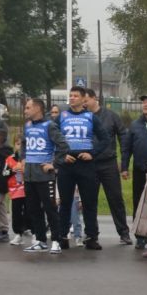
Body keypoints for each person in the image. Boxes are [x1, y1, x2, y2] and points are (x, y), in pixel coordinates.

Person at [55, 83, 106, 250]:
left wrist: (93, 153)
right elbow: (51, 137)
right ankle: (62, 236)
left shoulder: (91, 117)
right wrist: (62, 155)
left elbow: (105, 139)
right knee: (65, 202)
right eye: (70, 95)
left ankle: (91, 237)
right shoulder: (61, 116)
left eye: (76, 96)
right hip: (67, 164)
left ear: (84, 99)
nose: (72, 98)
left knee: (89, 202)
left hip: (86, 163)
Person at [84, 85, 134, 247]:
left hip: (108, 162)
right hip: (88, 163)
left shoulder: (111, 116)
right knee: (89, 200)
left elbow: (123, 137)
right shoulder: (82, 117)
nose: (83, 104)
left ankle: (123, 232)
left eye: (86, 100)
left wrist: (124, 162)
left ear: (94, 98)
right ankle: (91, 234)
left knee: (115, 198)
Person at [19, 96, 69, 253]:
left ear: (37, 109)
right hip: (29, 175)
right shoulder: (27, 126)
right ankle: (40, 240)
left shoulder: (50, 126)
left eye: (28, 107)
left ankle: (56, 240)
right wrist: (23, 159)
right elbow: (24, 145)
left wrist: (53, 165)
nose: (25, 110)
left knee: (50, 208)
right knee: (33, 209)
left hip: (44, 175)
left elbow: (63, 146)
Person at [125, 94, 147, 247]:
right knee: (139, 201)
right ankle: (140, 235)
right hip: (139, 168)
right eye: (144, 102)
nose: (145, 105)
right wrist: (124, 167)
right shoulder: (135, 124)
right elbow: (126, 148)